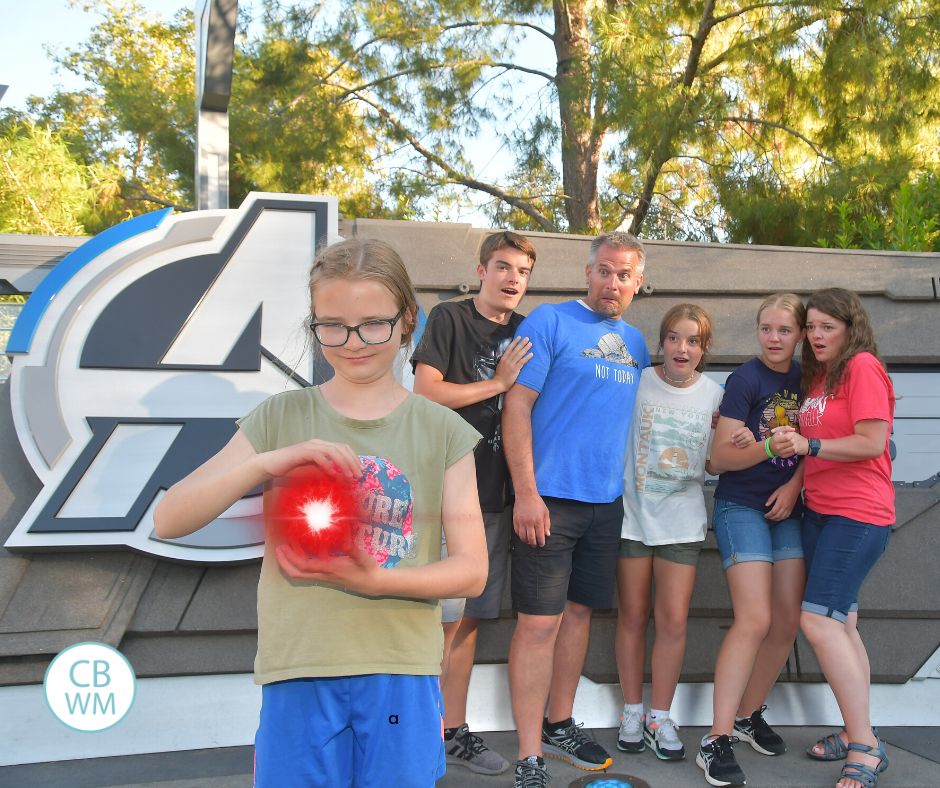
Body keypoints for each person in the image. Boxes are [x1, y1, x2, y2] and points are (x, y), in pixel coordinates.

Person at [152, 238, 488, 788]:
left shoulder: (444, 430)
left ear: (407, 321)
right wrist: (266, 463)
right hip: (299, 667)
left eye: (373, 324)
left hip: (399, 670)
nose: (352, 342)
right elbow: (169, 518)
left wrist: (374, 579)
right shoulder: (281, 416)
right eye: (332, 325)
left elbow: (473, 570)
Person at [503, 231, 651, 788]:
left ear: (637, 284)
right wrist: (526, 492)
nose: (613, 283)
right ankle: (528, 756)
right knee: (538, 624)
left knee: (581, 615)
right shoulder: (548, 322)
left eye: (624, 275)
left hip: (605, 504)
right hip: (548, 501)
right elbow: (516, 408)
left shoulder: (635, 344)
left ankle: (559, 722)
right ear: (588, 273)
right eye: (605, 271)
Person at [411, 230, 536, 776]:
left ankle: (451, 731)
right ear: (482, 270)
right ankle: (416, 731)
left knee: (470, 622)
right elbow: (427, 392)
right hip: (444, 491)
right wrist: (499, 384)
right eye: (503, 267)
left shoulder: (531, 332)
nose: (513, 280)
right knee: (437, 622)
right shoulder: (449, 320)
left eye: (523, 272)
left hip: (497, 496)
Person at [773, 287, 894, 788]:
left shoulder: (862, 365)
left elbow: (872, 441)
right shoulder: (822, 377)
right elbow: (811, 445)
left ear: (850, 327)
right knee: (842, 625)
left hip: (858, 513)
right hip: (821, 512)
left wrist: (810, 442)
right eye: (813, 327)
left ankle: (865, 748)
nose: (818, 335)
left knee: (818, 624)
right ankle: (855, 729)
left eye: (828, 327)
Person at [697, 293, 807, 788]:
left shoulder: (810, 380)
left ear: (800, 334)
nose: (775, 338)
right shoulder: (746, 379)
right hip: (740, 506)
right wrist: (764, 445)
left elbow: (817, 443)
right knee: (755, 618)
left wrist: (793, 484)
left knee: (786, 620)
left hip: (788, 507)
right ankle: (715, 739)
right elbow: (718, 459)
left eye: (784, 330)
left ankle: (747, 715)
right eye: (767, 329)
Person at [615, 304, 724, 762]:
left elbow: (716, 464)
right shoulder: (638, 383)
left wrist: (736, 441)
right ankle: (632, 711)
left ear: (704, 349)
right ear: (661, 342)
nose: (683, 348)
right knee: (633, 616)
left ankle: (661, 714)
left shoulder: (715, 396)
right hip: (632, 518)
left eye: (693, 340)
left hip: (682, 522)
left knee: (674, 621)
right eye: (675, 338)